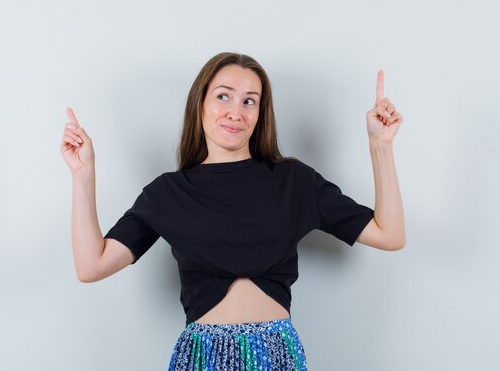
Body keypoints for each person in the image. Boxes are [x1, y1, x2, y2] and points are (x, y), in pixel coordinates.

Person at [60, 52, 405, 370]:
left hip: (275, 354)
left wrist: (380, 146)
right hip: (202, 357)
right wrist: (82, 175)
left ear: (260, 113)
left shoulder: (294, 181)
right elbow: (92, 265)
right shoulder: (168, 193)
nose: (235, 112)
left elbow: (389, 234)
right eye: (223, 96)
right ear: (201, 103)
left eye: (249, 101)